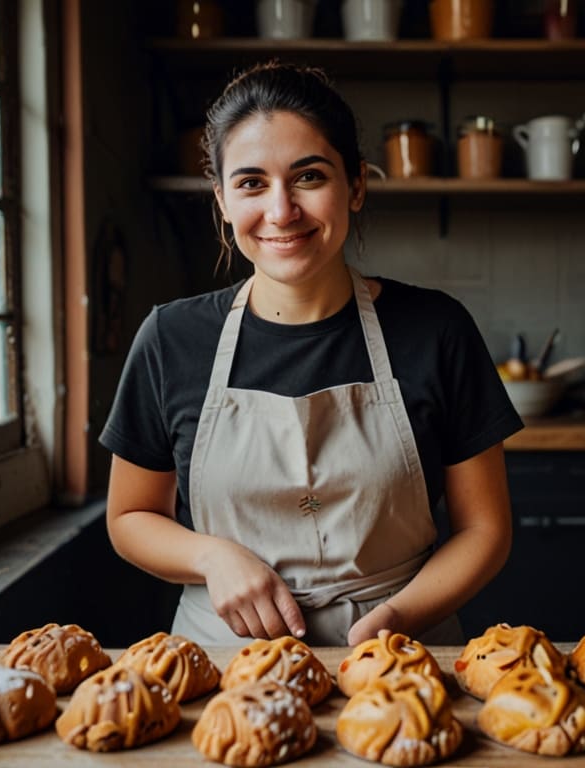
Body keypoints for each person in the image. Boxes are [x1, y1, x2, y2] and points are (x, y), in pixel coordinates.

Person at [100, 60, 523, 648]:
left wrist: (397, 618)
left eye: (308, 177)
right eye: (251, 183)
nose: (280, 211)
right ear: (222, 200)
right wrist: (212, 557)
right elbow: (129, 518)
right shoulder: (170, 340)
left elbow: (487, 528)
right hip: (224, 666)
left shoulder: (435, 330)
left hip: (399, 657)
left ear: (356, 186)